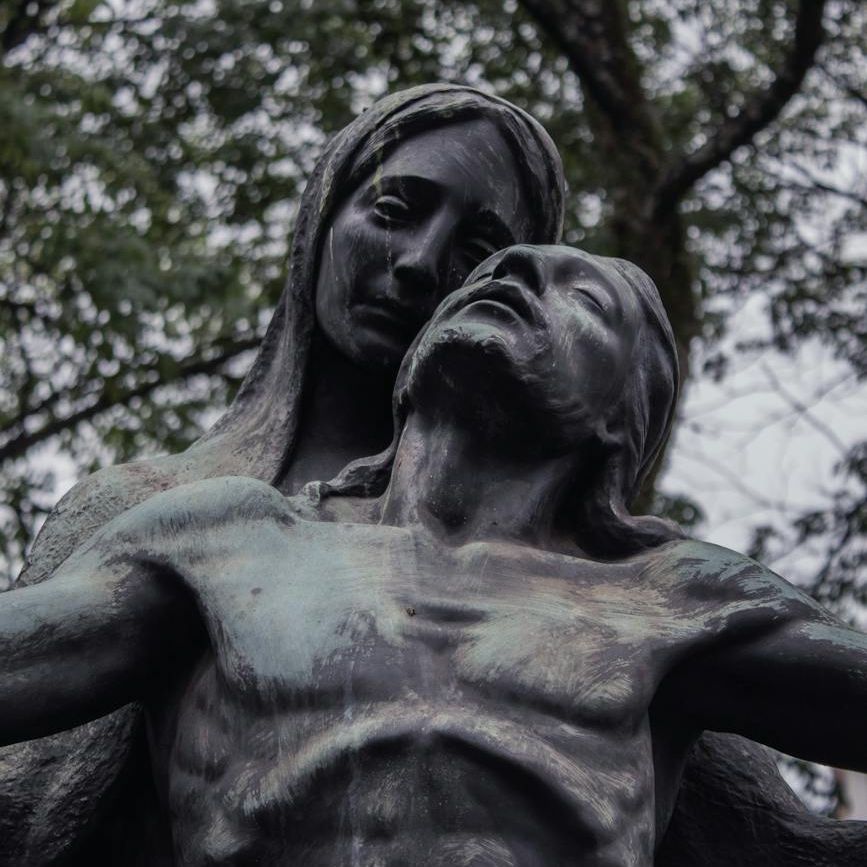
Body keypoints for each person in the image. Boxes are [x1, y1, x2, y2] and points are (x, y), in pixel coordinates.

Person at [1, 245, 864, 867]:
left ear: (621, 419)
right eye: (493, 275)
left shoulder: (667, 599)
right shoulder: (227, 538)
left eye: (583, 299)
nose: (511, 275)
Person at [0, 84, 565, 865]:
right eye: (394, 210)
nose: (418, 264)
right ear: (321, 219)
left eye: (475, 252)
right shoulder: (138, 507)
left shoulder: (562, 565)